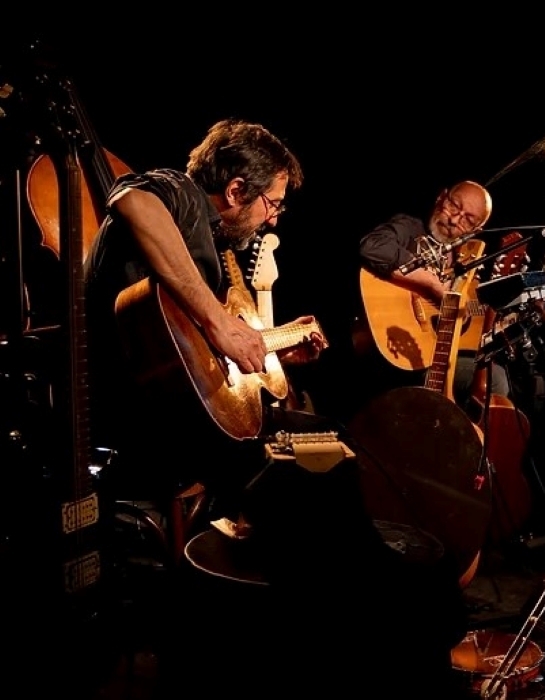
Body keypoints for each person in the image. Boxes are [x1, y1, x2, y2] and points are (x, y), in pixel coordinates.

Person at [83, 118, 466, 697]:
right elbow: (132, 200)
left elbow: (198, 349)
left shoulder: (207, 243)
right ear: (237, 189)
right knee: (319, 473)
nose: (274, 218)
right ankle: (370, 641)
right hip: (145, 429)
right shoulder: (178, 192)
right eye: (273, 203)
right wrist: (218, 323)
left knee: (328, 444)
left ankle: (367, 628)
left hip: (177, 417)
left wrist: (271, 344)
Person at [358, 179, 511, 413]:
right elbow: (372, 246)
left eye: (467, 220)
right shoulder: (410, 228)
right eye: (454, 206)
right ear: (441, 197)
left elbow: (470, 321)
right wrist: (431, 283)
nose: (454, 219)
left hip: (433, 357)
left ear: (475, 231)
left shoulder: (466, 263)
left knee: (495, 375)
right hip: (395, 352)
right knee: (496, 379)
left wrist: (478, 316)